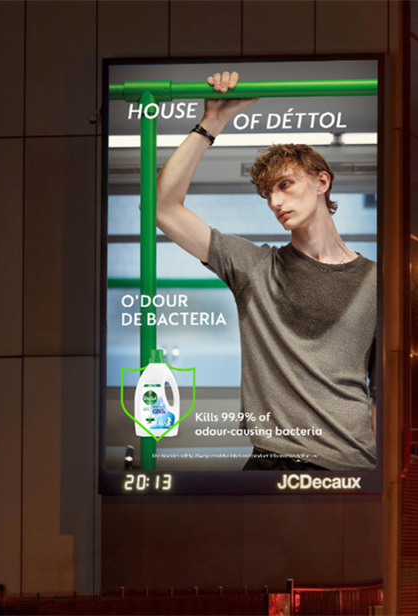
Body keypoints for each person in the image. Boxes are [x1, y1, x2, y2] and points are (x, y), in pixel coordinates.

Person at [153, 71, 377, 471]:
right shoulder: (254, 266)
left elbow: (385, 392)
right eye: (267, 193)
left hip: (351, 466)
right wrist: (212, 124)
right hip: (272, 463)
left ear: (322, 181)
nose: (275, 201)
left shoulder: (378, 281)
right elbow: (163, 208)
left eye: (285, 185)